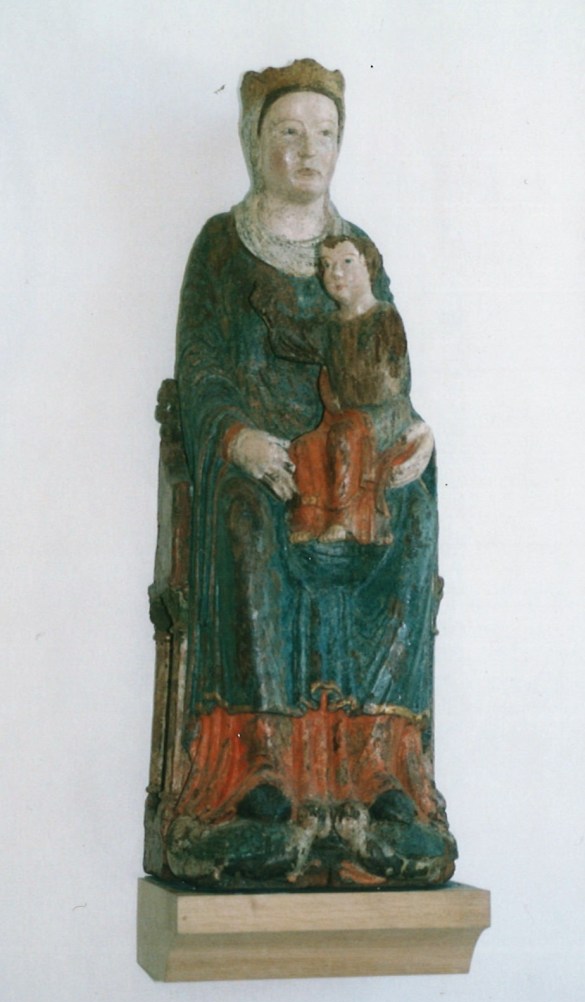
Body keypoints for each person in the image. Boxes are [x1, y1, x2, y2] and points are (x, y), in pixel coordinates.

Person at [152, 59, 456, 887]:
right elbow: (201, 368)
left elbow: (383, 365)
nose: (306, 149)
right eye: (287, 131)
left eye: (323, 133)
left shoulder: (355, 252)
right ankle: (258, 774)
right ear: (255, 142)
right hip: (263, 465)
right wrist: (239, 438)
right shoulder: (222, 247)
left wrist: (413, 430)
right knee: (247, 516)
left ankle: (381, 769)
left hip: (349, 461)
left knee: (413, 515)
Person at [252, 234, 435, 545]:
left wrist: (340, 388)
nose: (335, 273)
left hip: (386, 413)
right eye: (326, 265)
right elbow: (293, 341)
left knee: (345, 434)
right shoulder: (331, 326)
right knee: (307, 446)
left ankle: (348, 519)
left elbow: (387, 379)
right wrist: (269, 310)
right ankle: (311, 518)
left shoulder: (384, 317)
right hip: (348, 416)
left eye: (347, 262)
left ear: (369, 266)